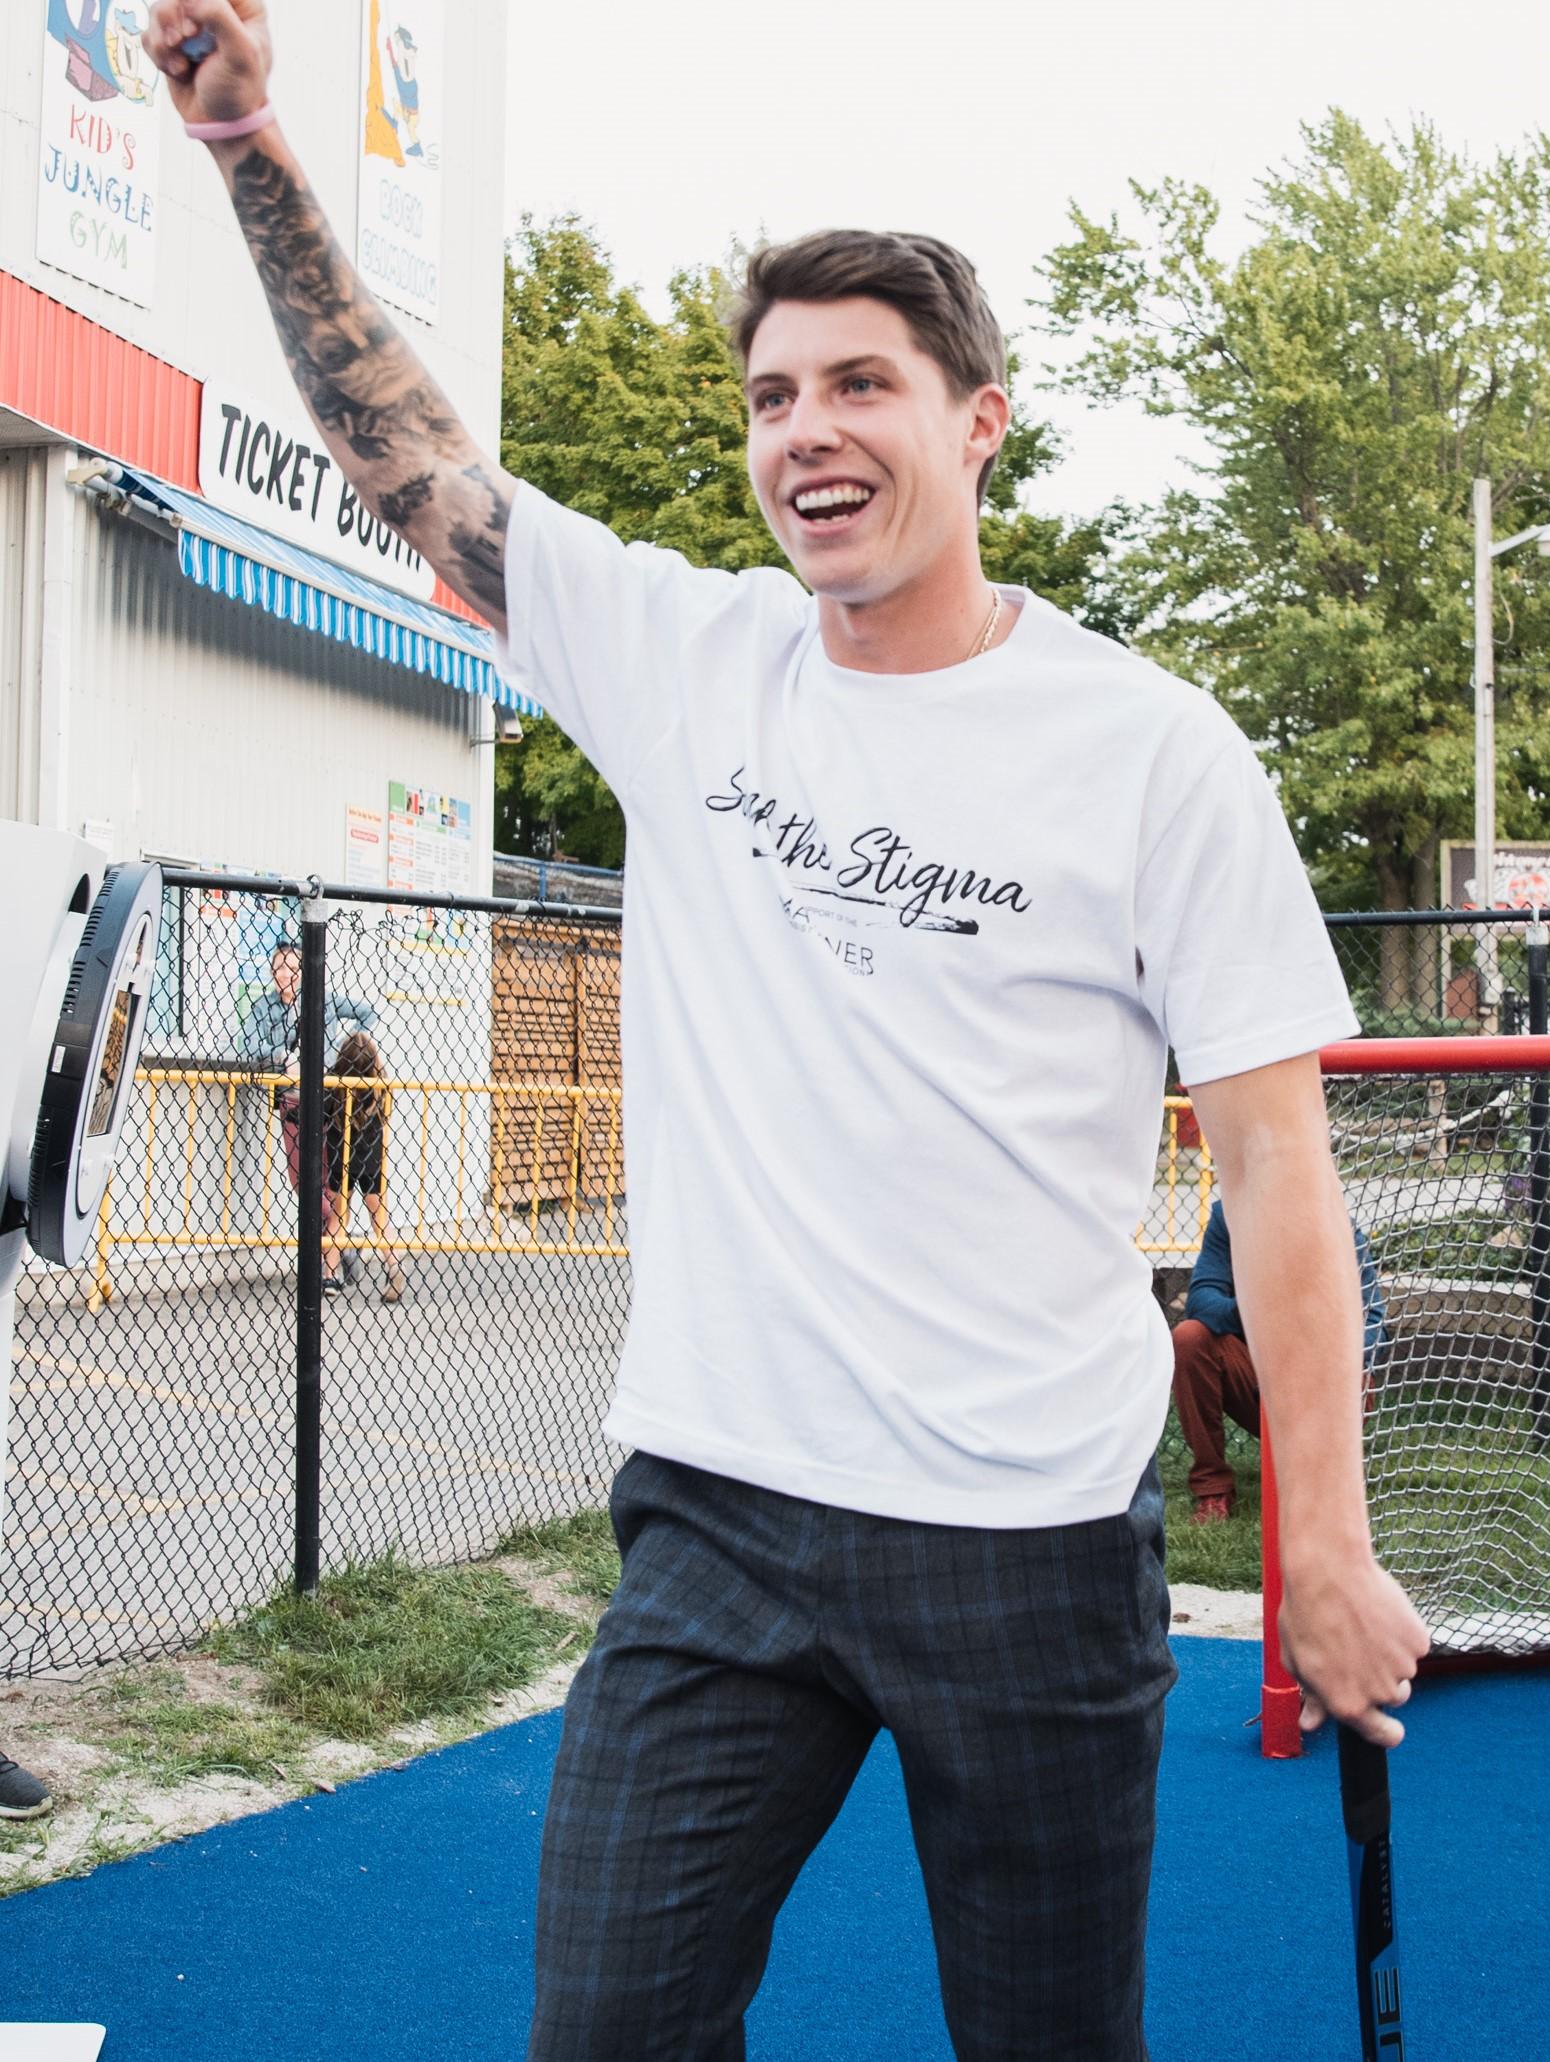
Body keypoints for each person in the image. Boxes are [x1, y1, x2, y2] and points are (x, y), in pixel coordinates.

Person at [146, 7, 1427, 2055]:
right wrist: (246, 141)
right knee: (610, 2027)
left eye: (858, 384)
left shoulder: (1149, 754)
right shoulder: (685, 656)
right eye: (767, 394)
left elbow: (1279, 1162)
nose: (802, 429)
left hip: (1026, 1524)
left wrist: (1327, 1542)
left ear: (978, 423)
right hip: (723, 1514)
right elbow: (409, 459)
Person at [1173, 1197, 1385, 1521]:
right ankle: (1212, 1489)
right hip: (1258, 1378)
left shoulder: (1332, 1219)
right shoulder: (1229, 1214)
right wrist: (1257, 1304)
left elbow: (1374, 1318)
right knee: (1189, 1338)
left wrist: (1331, 1361)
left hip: (1324, 1382)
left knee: (1355, 1370)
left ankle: (1327, 1477)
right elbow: (1201, 1300)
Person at [237, 940, 379, 1285]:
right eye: (278, 968)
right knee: (302, 1182)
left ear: (303, 971)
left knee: (331, 1178)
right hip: (293, 1100)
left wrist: (339, 1050)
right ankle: (341, 1245)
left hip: (329, 1098)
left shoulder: (324, 999)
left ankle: (328, 1258)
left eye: (290, 967)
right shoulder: (264, 1007)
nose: (284, 974)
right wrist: (281, 1057)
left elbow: (368, 1013)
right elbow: (248, 1044)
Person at [324, 1029, 403, 1304]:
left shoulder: (333, 1087)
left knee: (337, 1220)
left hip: (340, 1161)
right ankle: (393, 1267)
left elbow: (318, 1112)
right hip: (371, 1161)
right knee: (379, 1219)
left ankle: (331, 1277)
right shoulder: (380, 1089)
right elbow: (385, 1118)